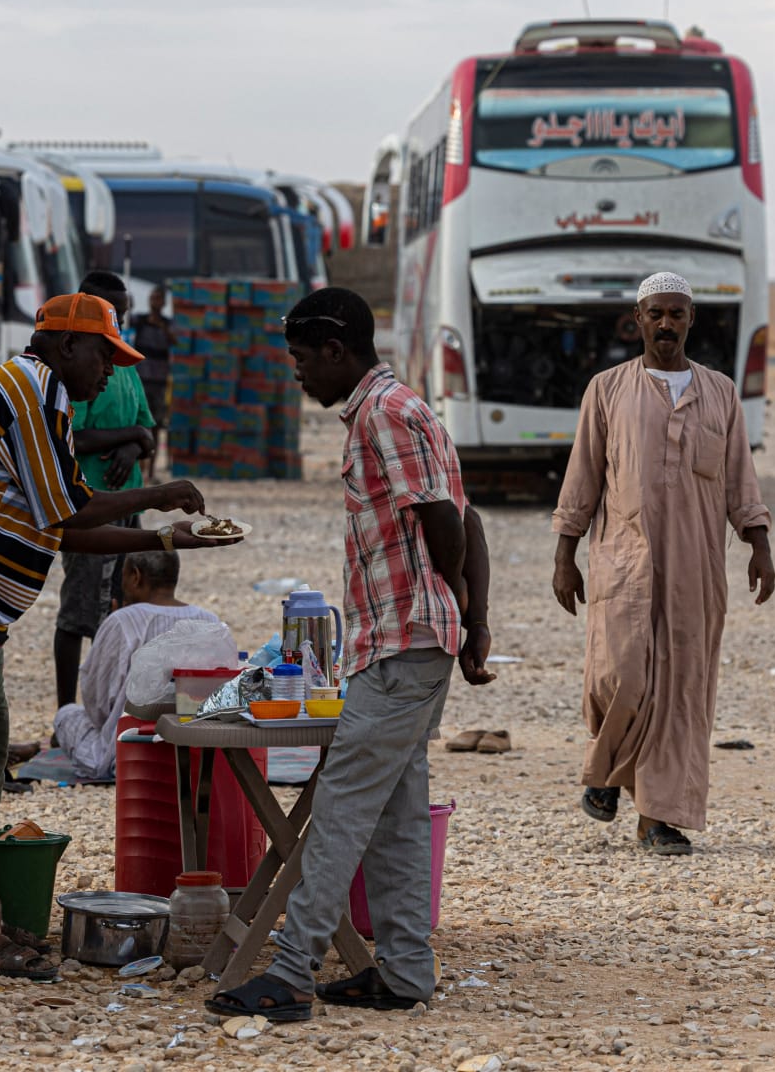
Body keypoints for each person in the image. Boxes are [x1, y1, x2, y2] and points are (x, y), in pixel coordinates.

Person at [0, 292, 237, 979]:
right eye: (104, 357)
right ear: (65, 347)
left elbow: (63, 525)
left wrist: (164, 537)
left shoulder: (44, 402)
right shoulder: (31, 391)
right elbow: (71, 512)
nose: (112, 375)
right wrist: (156, 497)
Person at [210, 287, 496, 1022]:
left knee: (339, 811)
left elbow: (445, 520)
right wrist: (472, 623)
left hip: (404, 643)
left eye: (303, 360)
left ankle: (292, 974)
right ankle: (403, 971)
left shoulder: (386, 414)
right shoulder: (395, 409)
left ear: (337, 352)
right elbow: (465, 515)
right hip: (409, 643)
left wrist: (459, 613)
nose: (299, 374)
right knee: (397, 816)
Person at [552, 271, 775, 856]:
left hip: (695, 568)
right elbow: (584, 475)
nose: (666, 324)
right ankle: (605, 771)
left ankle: (658, 817)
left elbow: (738, 480)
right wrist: (564, 554)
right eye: (656, 314)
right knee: (619, 674)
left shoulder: (721, 393)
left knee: (682, 688)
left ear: (691, 319)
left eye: (677, 313)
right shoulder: (606, 390)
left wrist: (759, 545)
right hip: (622, 560)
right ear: (639, 319)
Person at [54, 271, 156, 713]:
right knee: (80, 613)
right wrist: (128, 436)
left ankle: (107, 708)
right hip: (91, 506)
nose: (120, 322)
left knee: (122, 610)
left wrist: (132, 445)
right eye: (112, 314)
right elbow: (67, 435)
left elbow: (148, 431)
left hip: (128, 501)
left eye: (124, 314)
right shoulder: (81, 367)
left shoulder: (123, 367)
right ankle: (66, 710)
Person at [53, 551, 220, 779]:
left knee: (66, 714)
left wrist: (111, 626)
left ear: (135, 576)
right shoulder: (210, 621)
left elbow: (97, 700)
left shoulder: (122, 621)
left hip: (125, 750)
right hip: (198, 745)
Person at [128, 284, 174, 476]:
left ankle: (151, 469)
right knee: (139, 423)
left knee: (154, 424)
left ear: (163, 302)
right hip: (140, 379)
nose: (155, 302)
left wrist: (162, 327)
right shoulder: (140, 321)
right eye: (153, 297)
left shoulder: (167, 324)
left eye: (158, 298)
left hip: (159, 382)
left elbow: (175, 341)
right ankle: (141, 466)